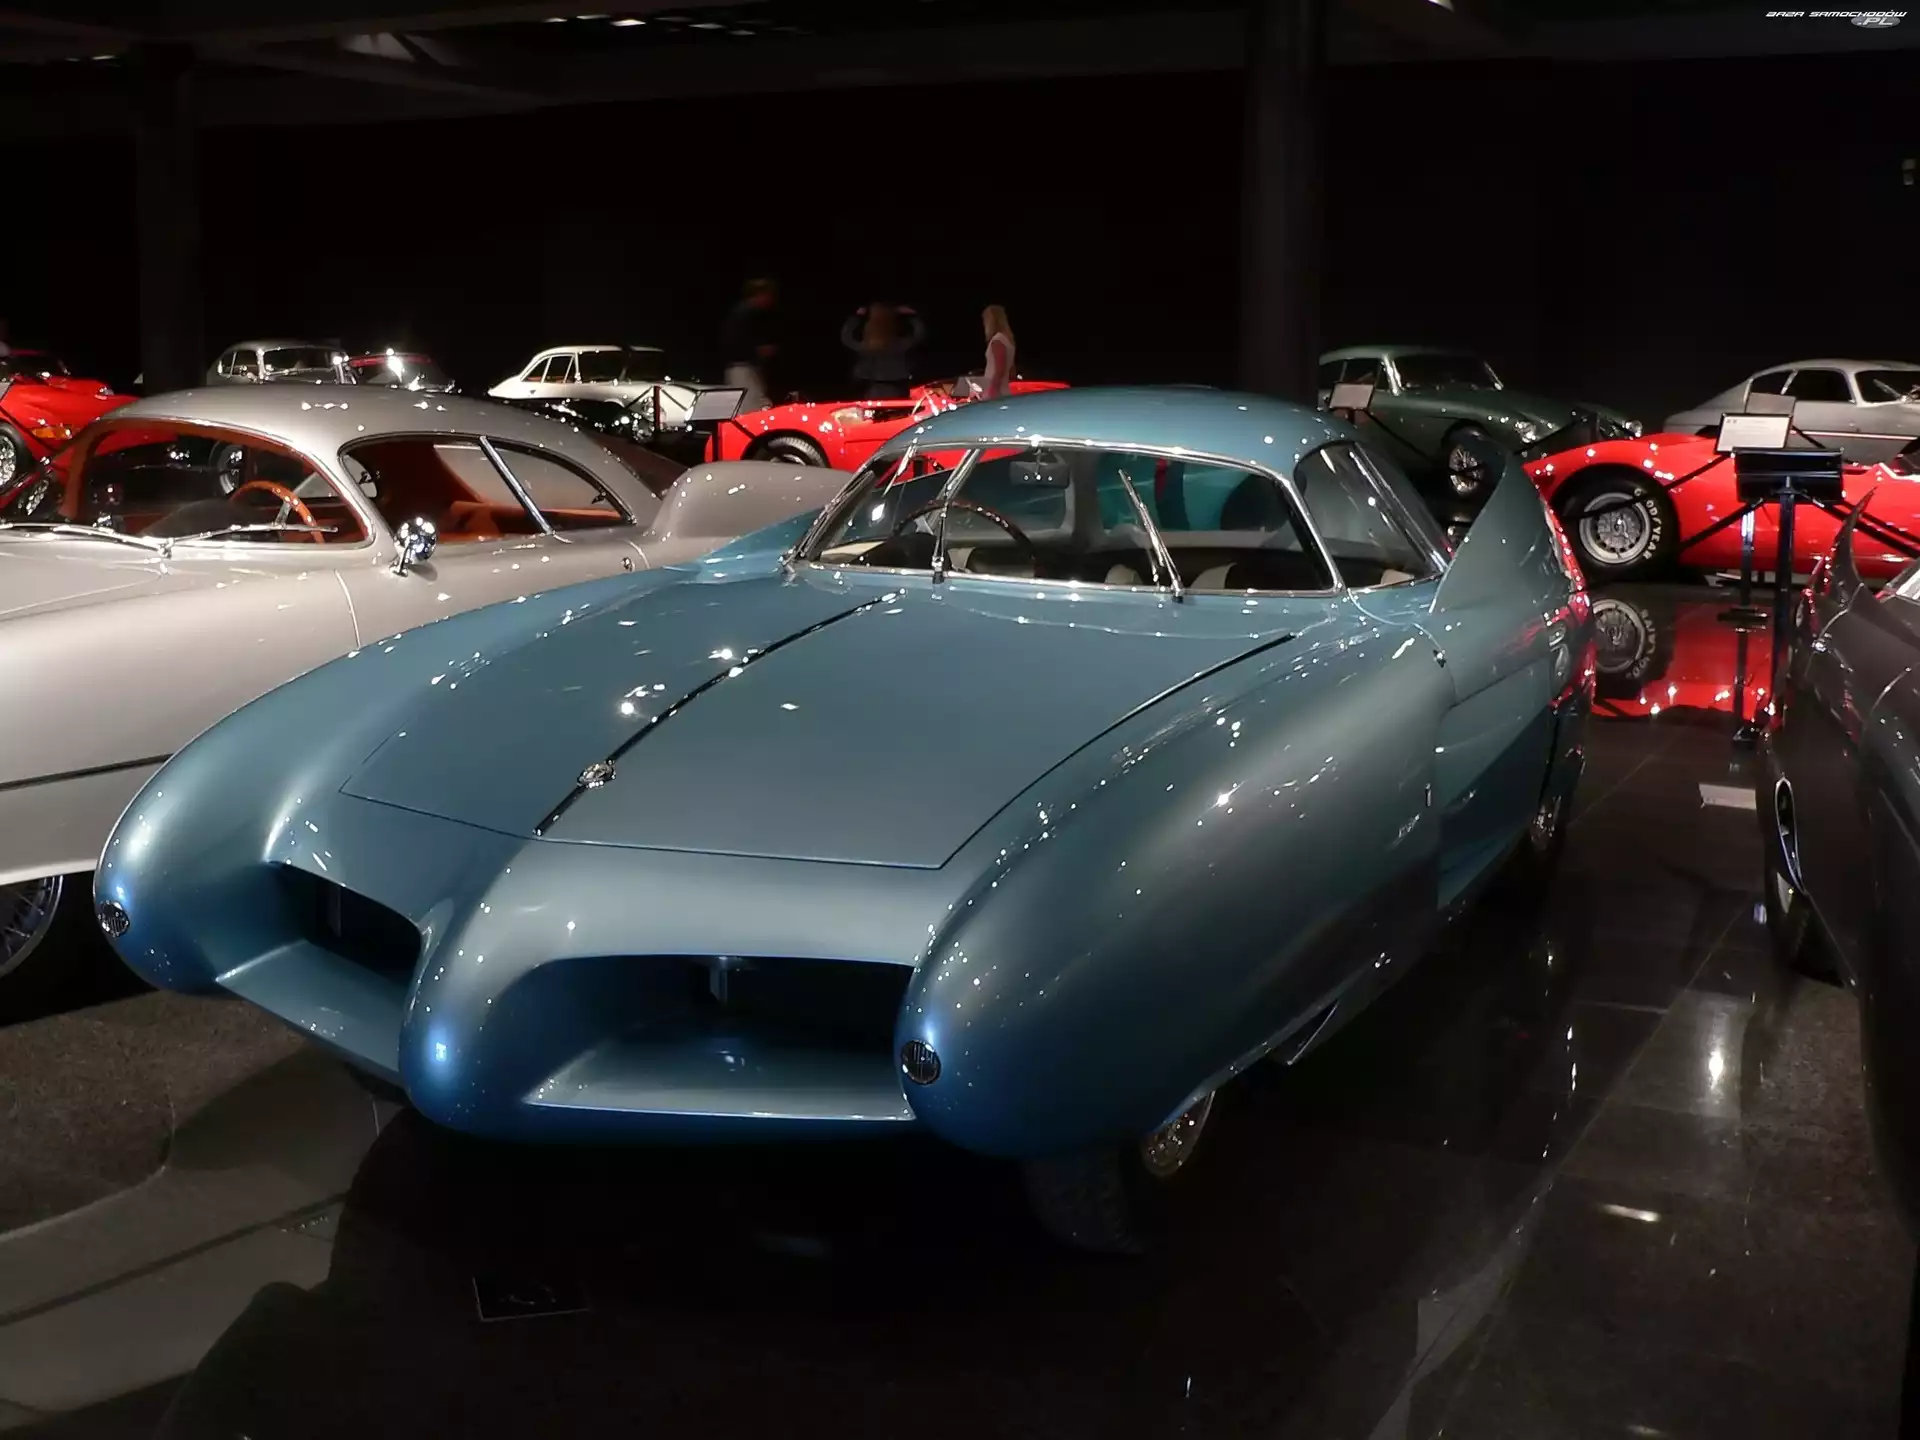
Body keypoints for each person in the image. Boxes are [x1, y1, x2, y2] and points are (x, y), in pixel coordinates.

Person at [840, 302, 925, 401]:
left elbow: (846, 337)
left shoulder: (866, 347)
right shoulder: (899, 345)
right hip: (894, 386)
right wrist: (911, 315)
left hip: (872, 386)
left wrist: (856, 317)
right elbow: (919, 334)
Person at [721, 278, 778, 412]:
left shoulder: (746, 313)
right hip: (742, 370)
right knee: (750, 410)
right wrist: (758, 351)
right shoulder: (744, 314)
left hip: (746, 370)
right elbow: (733, 344)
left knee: (755, 406)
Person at [980, 304, 1015, 400]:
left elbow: (999, 370)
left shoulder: (998, 340)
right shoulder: (1008, 341)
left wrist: (992, 389)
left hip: (995, 391)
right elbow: (1011, 371)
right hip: (1002, 388)